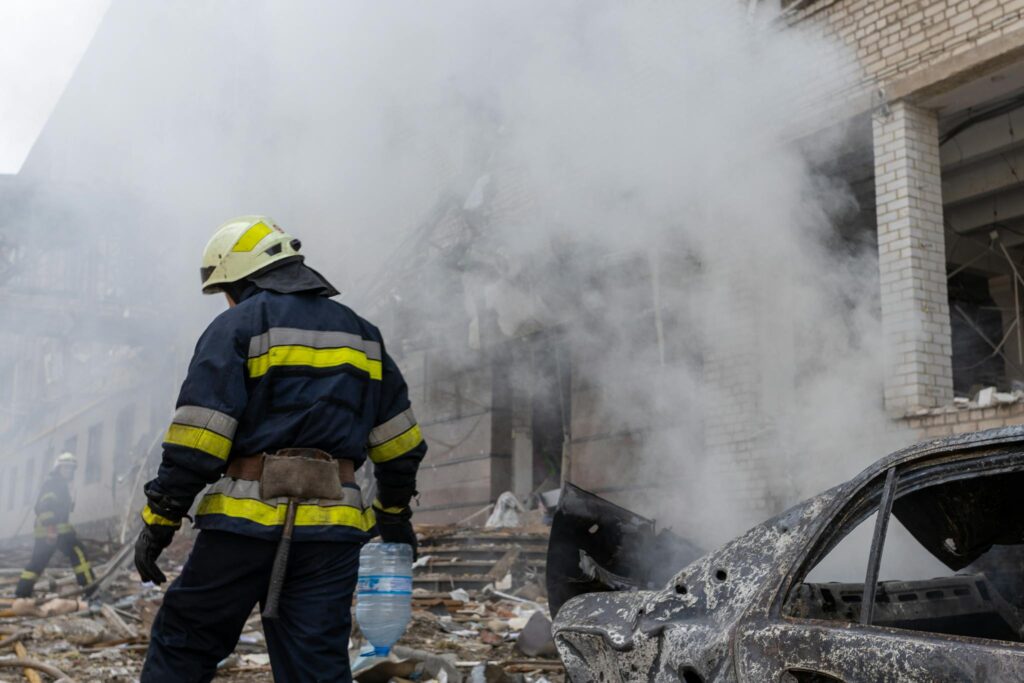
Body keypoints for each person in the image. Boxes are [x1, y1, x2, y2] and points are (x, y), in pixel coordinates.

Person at [135, 216, 426, 683]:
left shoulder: (238, 326)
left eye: (227, 289)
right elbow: (400, 444)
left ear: (243, 278)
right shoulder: (364, 336)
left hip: (244, 525)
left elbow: (198, 439)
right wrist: (393, 514)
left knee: (185, 642)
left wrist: (161, 518)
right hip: (331, 536)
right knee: (315, 663)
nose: (227, 301)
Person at [15, 452, 95, 597]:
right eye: (65, 468)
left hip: (48, 531)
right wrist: (51, 530)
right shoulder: (55, 484)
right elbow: (44, 507)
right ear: (58, 468)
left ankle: (21, 592)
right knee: (78, 551)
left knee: (38, 562)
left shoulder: (57, 484)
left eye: (71, 468)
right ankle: (91, 589)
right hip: (55, 531)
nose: (69, 471)